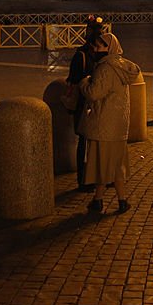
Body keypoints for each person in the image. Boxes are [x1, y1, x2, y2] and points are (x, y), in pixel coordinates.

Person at [79, 32, 141, 214]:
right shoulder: (122, 67)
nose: (97, 50)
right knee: (114, 164)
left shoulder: (105, 68)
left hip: (104, 123)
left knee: (102, 164)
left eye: (100, 47)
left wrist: (84, 82)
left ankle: (102, 201)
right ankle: (116, 201)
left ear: (109, 48)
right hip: (119, 125)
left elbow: (93, 93)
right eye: (96, 46)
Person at [67, 16, 105, 192]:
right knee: (83, 142)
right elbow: (73, 82)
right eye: (98, 33)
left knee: (96, 141)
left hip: (97, 103)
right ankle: (82, 179)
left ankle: (97, 175)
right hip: (83, 104)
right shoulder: (80, 56)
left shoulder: (102, 55)